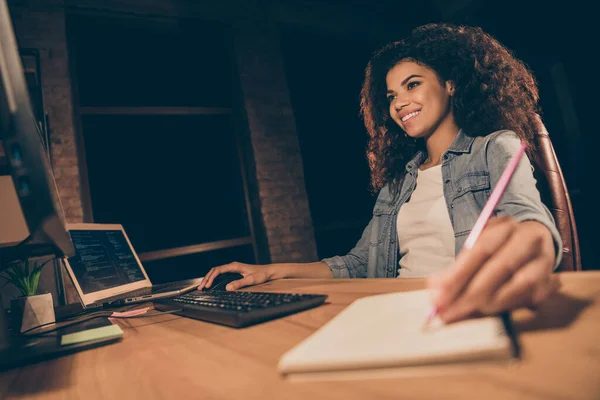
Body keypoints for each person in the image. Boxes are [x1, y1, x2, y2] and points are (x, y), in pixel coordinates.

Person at [198, 23, 562, 323]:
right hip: (397, 313)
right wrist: (269, 272)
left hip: (466, 313)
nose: (399, 103)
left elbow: (528, 218)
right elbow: (358, 264)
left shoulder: (494, 147)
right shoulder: (399, 183)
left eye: (413, 84)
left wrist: (537, 242)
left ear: (450, 84)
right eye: (390, 96)